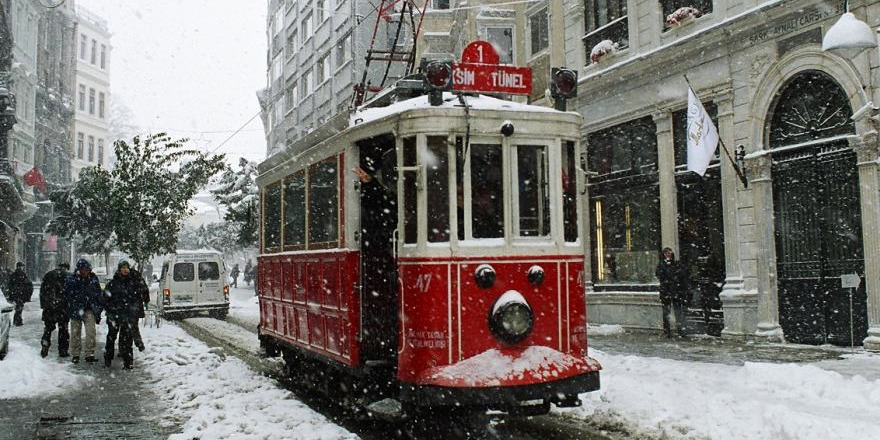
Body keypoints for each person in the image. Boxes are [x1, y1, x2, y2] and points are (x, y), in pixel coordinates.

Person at [103, 260, 148, 369]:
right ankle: (108, 359)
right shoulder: (113, 283)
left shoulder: (134, 282)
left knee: (127, 340)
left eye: (126, 267)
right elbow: (105, 298)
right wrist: (111, 310)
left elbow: (143, 291)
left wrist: (138, 277)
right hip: (115, 315)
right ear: (119, 269)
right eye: (122, 267)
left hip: (128, 316)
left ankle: (128, 363)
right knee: (111, 338)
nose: (125, 269)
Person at [65, 259, 103, 363]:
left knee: (91, 332)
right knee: (75, 333)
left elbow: (98, 294)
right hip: (76, 309)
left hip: (89, 309)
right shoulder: (72, 280)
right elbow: (68, 295)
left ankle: (89, 353)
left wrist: (98, 308)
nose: (86, 272)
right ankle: (75, 354)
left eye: (87, 269)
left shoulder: (93, 279)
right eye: (84, 270)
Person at [40, 263, 71, 358]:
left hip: (50, 308)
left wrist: (44, 305)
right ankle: (63, 351)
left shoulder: (49, 275)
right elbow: (70, 293)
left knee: (48, 329)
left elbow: (42, 291)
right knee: (63, 330)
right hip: (63, 308)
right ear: (66, 268)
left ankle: (45, 345)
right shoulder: (68, 276)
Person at [655, 247, 687, 338]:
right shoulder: (661, 264)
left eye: (669, 253)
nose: (668, 255)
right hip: (666, 291)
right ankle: (667, 331)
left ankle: (680, 329)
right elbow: (659, 274)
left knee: (678, 311)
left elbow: (681, 274)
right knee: (666, 312)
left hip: (675, 290)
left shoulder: (676, 264)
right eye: (666, 253)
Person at [7, 262, 34, 327]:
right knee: (19, 307)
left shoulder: (17, 274)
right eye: (21, 266)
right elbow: (12, 285)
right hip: (19, 293)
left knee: (19, 307)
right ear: (19, 267)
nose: (22, 268)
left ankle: (17, 320)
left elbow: (10, 285)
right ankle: (17, 321)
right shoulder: (20, 275)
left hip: (18, 293)